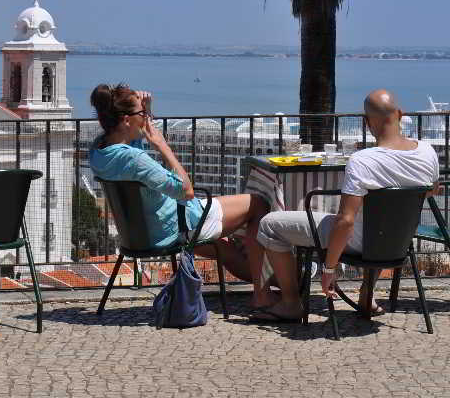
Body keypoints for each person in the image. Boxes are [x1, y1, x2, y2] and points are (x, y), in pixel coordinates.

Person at [253, 89, 440, 322]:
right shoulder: (427, 152)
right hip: (399, 240)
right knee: (382, 225)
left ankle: (291, 302)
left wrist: (328, 269)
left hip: (360, 242)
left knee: (269, 224)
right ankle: (366, 295)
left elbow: (346, 221)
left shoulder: (363, 161)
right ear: (400, 114)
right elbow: (432, 190)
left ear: (367, 121)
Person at [88, 83, 270, 304]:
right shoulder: (134, 160)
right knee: (258, 203)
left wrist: (145, 108)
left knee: (227, 251)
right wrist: (163, 146)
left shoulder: (99, 151)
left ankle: (281, 285)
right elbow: (187, 191)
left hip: (144, 232)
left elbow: (132, 140)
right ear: (126, 120)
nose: (145, 116)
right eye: (141, 113)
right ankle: (264, 295)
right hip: (177, 226)